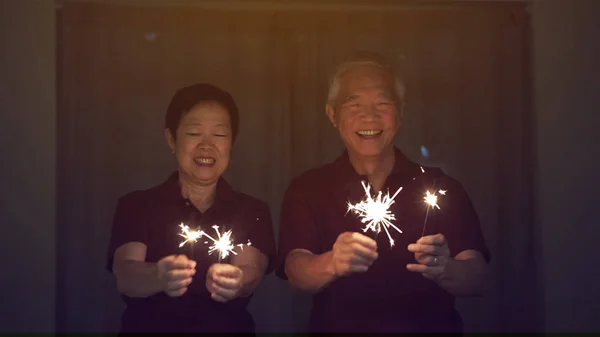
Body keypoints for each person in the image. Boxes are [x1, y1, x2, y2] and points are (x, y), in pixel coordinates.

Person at [277, 51, 490, 333]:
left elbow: (476, 277)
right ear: (332, 114)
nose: (369, 116)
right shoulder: (308, 189)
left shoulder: (441, 187)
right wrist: (332, 262)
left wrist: (447, 268)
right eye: (354, 105)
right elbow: (295, 271)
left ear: (400, 112)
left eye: (382, 103)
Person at [107, 83, 276, 334]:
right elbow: (126, 274)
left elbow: (251, 271)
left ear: (232, 142)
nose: (206, 146)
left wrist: (235, 280)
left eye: (219, 135)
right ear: (171, 139)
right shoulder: (138, 206)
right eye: (194, 133)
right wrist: (159, 275)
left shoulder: (252, 210)